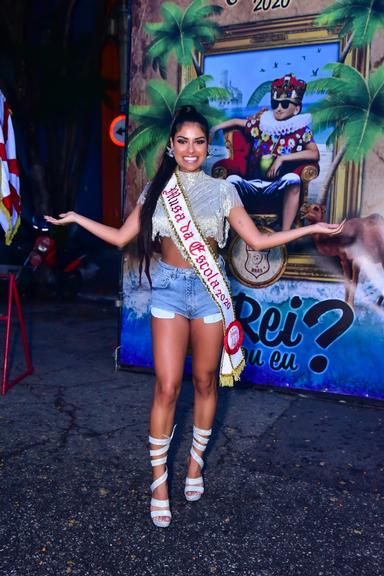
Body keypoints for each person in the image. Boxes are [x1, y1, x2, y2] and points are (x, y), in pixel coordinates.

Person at [45, 105, 342, 529]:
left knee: (204, 381)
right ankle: (158, 482)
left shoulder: (223, 192)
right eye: (182, 141)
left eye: (199, 141)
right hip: (167, 289)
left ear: (208, 146)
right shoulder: (157, 189)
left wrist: (310, 230)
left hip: (209, 294)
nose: (190, 149)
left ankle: (195, 465)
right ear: (171, 145)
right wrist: (76, 217)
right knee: (167, 387)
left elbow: (258, 240)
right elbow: (119, 237)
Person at [210, 73, 319, 230]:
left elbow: (313, 153)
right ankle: (232, 232)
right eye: (275, 104)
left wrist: (282, 158)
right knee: (231, 181)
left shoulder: (300, 130)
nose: (279, 108)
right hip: (252, 183)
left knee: (294, 179)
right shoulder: (261, 124)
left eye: (285, 104)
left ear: (296, 109)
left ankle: (285, 233)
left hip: (277, 185)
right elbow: (236, 122)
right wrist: (215, 129)